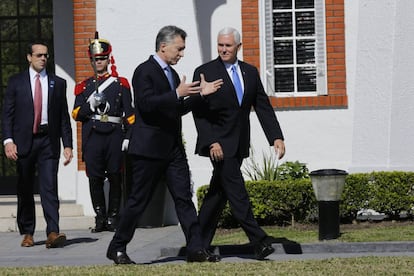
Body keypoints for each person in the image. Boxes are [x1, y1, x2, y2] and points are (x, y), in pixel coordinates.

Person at [106, 25, 223, 265]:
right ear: (163, 46)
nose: (181, 54)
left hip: (172, 150)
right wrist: (177, 94)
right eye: (179, 49)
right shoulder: (144, 71)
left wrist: (201, 95)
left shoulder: (170, 74)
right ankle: (117, 247)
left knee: (184, 198)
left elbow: (176, 108)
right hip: (148, 150)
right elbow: (146, 105)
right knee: (139, 200)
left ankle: (196, 249)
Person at [190, 27, 286, 260]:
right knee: (237, 191)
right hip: (219, 146)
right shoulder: (205, 72)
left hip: (239, 144)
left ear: (238, 47)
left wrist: (276, 136)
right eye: (220, 45)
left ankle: (197, 246)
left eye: (228, 46)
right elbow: (198, 112)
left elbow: (262, 106)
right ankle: (259, 241)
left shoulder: (250, 72)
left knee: (217, 194)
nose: (223, 49)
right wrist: (211, 141)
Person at [1, 41, 73, 248]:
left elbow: (63, 118)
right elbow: (7, 115)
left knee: (49, 186)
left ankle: (53, 232)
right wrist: (8, 141)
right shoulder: (16, 82)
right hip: (24, 141)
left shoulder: (57, 83)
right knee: (24, 187)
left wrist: (67, 145)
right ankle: (28, 232)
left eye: (46, 55)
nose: (43, 59)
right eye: (39, 55)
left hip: (47, 142)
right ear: (29, 57)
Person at [72, 33, 135, 233]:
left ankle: (113, 218)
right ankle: (100, 217)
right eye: (95, 59)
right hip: (93, 136)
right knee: (95, 178)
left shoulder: (120, 84)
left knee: (116, 176)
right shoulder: (84, 87)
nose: (99, 62)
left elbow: (130, 115)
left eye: (102, 59)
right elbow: (76, 114)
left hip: (114, 134)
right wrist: (90, 105)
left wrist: (128, 137)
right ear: (91, 61)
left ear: (108, 60)